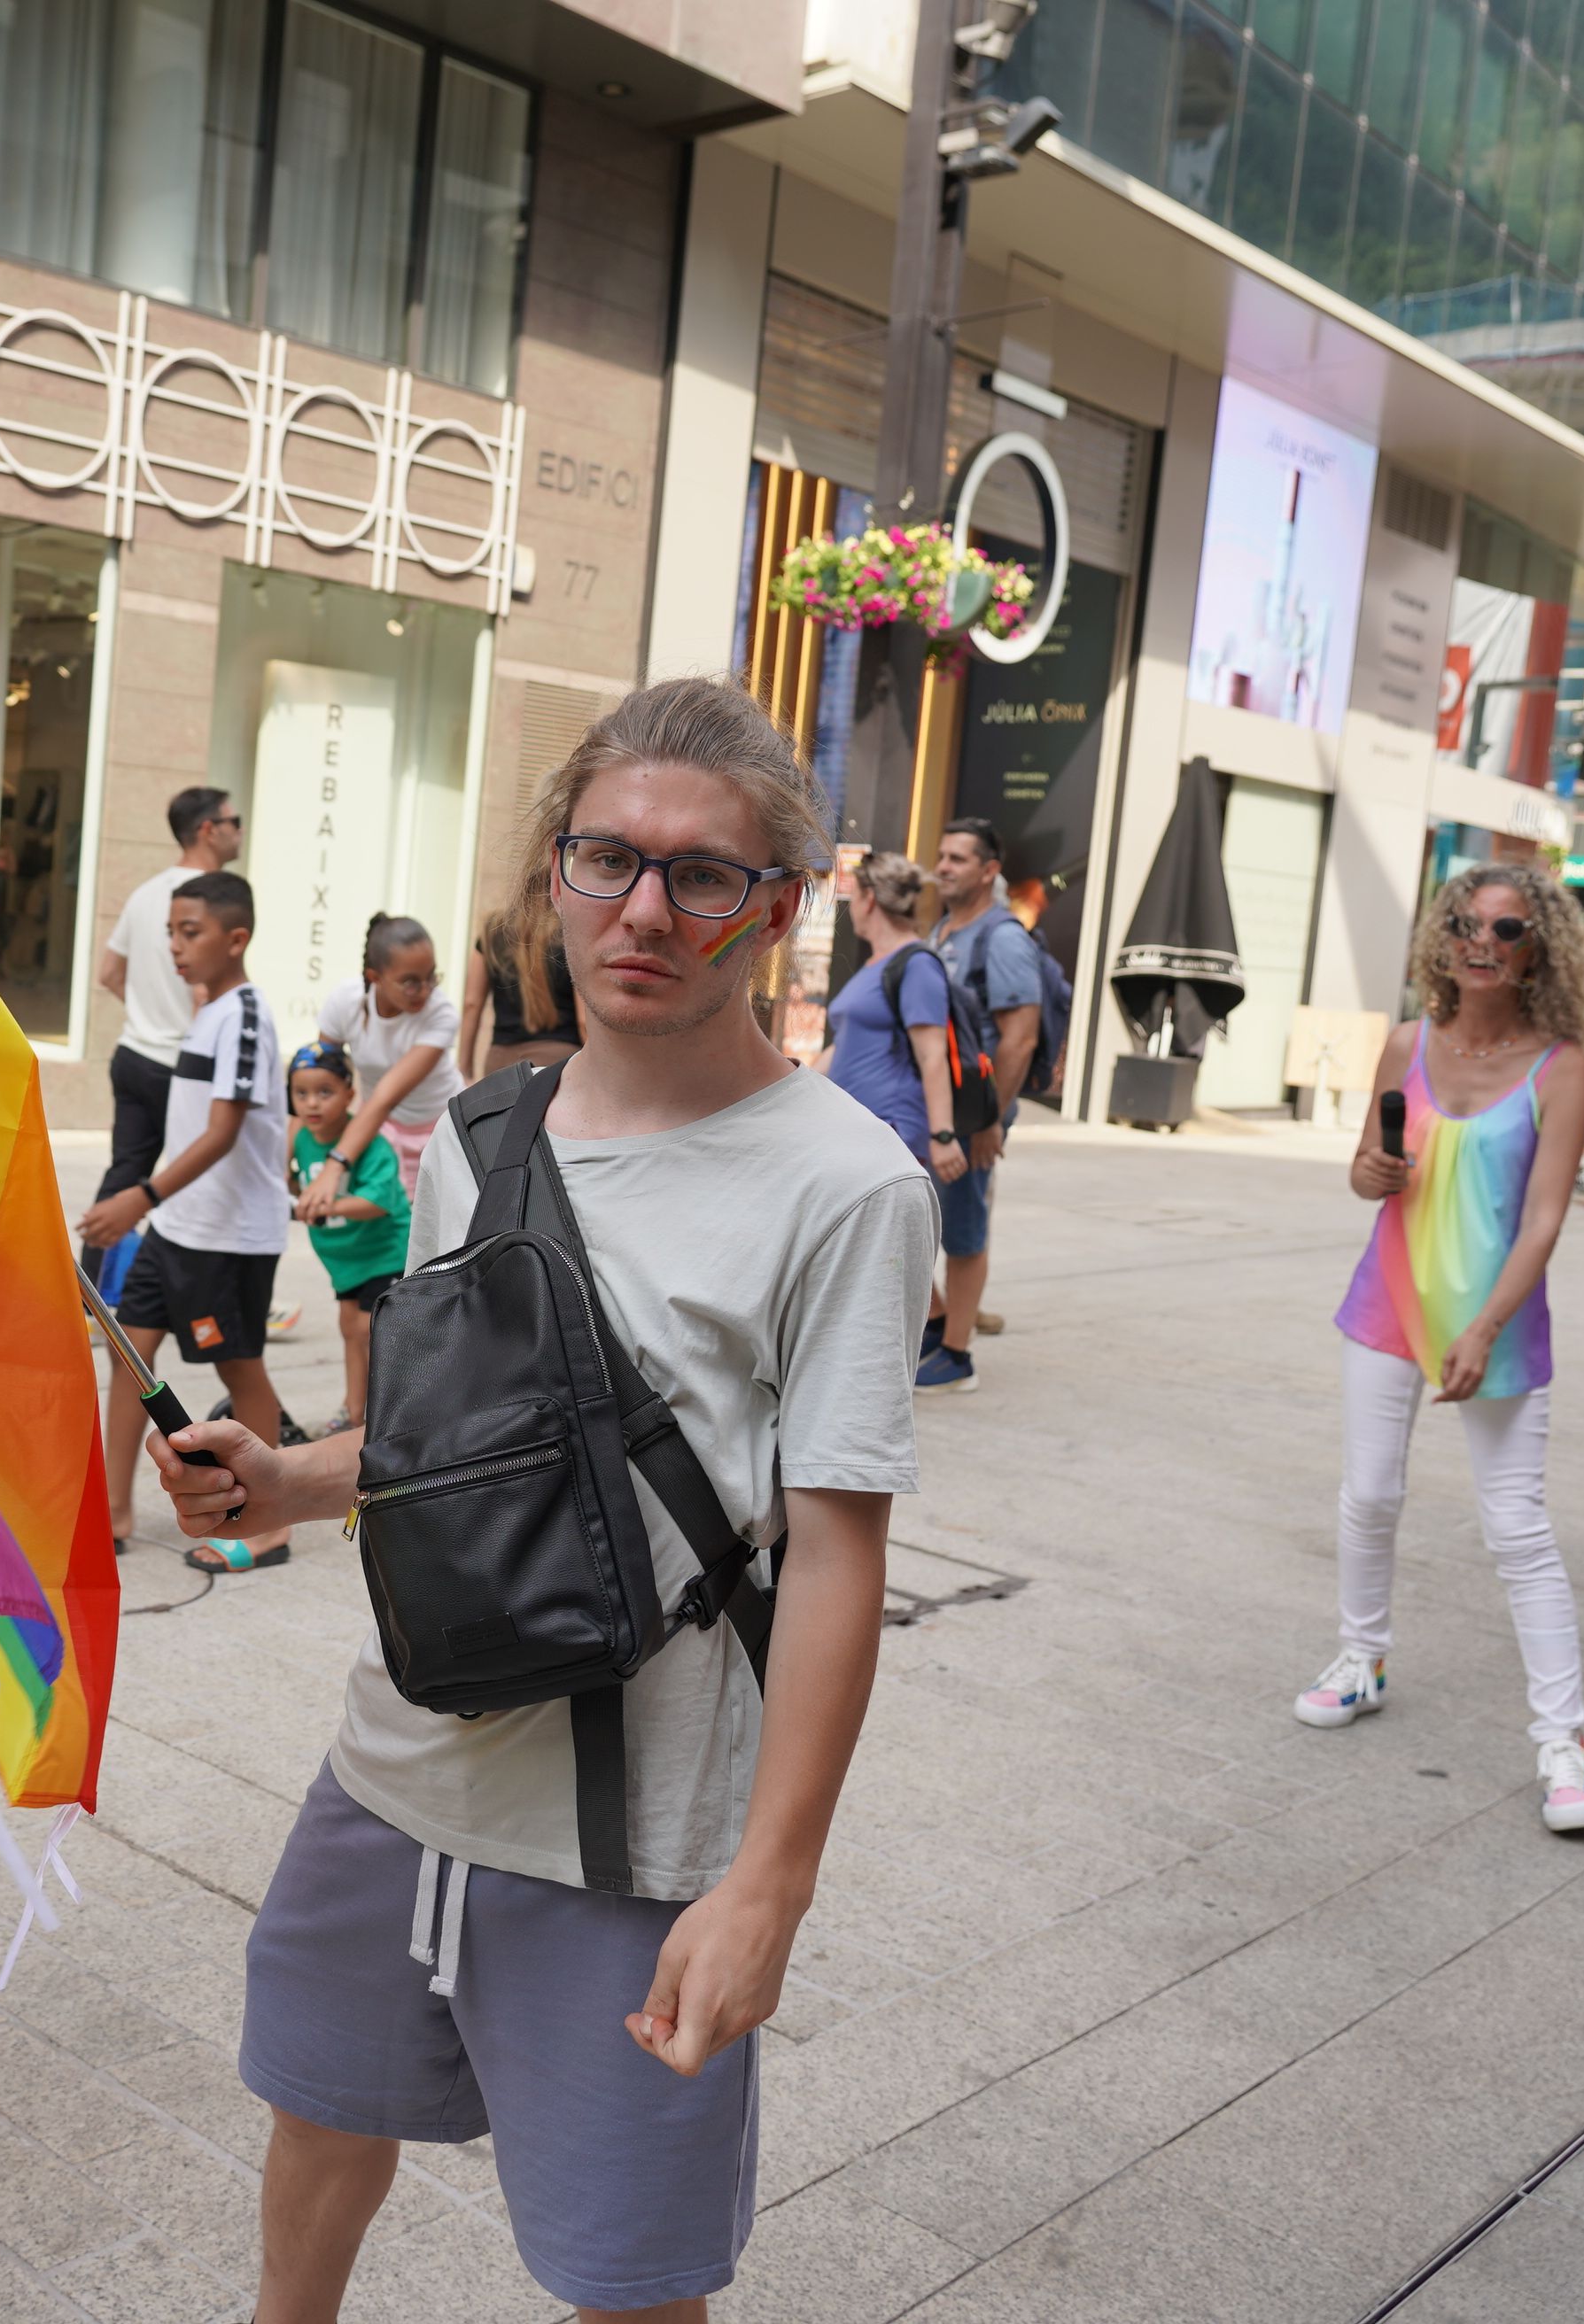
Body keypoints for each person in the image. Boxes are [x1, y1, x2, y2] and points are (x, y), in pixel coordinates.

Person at [144, 677, 930, 2318]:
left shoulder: (848, 1184)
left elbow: (841, 1553)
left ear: (774, 908)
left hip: (634, 1836)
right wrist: (287, 1475)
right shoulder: (485, 1128)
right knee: (319, 2107)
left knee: (626, 2268)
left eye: (701, 874)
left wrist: (767, 1880)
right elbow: (445, 1432)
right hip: (399, 1756)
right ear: (552, 875)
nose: (644, 908)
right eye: (606, 857)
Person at [1298, 860, 1584, 1837]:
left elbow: (1545, 1220)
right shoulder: (1405, 1043)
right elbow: (1363, 1176)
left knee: (1517, 1529)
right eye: (1468, 925)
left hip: (1497, 1321)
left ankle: (1565, 1741)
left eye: (1508, 929)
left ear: (1538, 949)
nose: (1483, 942)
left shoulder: (1562, 1068)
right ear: (1445, 939)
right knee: (1370, 1493)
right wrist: (1373, 1166)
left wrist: (1482, 1328)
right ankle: (1363, 1656)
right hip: (1387, 1302)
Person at [75, 869, 293, 1575]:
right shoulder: (210, 1006)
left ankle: (269, 1522)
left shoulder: (246, 1015)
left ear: (237, 939)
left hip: (225, 1236)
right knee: (127, 1350)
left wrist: (139, 1196)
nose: (173, 945)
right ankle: (111, 1512)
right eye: (170, 931)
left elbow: (223, 1133)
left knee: (239, 1365)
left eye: (189, 932)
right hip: (179, 1228)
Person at [90, 788, 247, 1268]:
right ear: (208, 829)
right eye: (233, 820)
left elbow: (109, 973)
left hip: (133, 1053)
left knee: (126, 1174)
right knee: (193, 1178)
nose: (240, 830)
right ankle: (204, 1287)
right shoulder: (213, 900)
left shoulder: (146, 891)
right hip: (181, 1065)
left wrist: (148, 1009)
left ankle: (85, 1297)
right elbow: (211, 993)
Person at [816, 855, 971, 1337]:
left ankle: (931, 1342)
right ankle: (932, 1335)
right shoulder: (875, 965)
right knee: (884, 1247)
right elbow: (842, 1046)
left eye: (853, 897)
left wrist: (944, 1134)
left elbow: (932, 1056)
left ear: (868, 899)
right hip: (858, 1125)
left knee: (885, 1245)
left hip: (893, 1125)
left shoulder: (916, 963)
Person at [924, 817, 1044, 1379]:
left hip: (971, 1119)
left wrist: (987, 1119)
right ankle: (943, 1322)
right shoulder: (945, 930)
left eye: (958, 859)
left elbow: (1020, 1038)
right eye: (942, 856)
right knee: (911, 1222)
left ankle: (955, 1355)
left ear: (989, 871)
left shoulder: (1002, 937)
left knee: (964, 1233)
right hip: (934, 1112)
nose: (943, 866)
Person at [285, 1040, 408, 1431]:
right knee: (349, 1331)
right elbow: (294, 1180)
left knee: (366, 1331)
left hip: (386, 1252)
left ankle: (384, 1418)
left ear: (350, 1094)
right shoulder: (302, 1138)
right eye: (301, 1093)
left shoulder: (369, 1142)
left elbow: (378, 1201)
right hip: (346, 1262)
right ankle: (355, 1413)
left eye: (325, 1092)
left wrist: (325, 1205)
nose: (313, 1104)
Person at [301, 914, 464, 1209]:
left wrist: (336, 1163)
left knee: (424, 1222)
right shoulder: (346, 1002)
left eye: (431, 977)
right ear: (375, 977)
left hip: (439, 1129)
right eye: (410, 982)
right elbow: (317, 1075)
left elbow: (386, 1096)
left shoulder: (441, 1014)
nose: (425, 991)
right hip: (378, 1126)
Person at [459, 895, 581, 1081]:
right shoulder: (570, 931)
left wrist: (464, 1069)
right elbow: (584, 1021)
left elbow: (471, 1005)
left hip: (500, 1065)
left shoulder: (493, 930)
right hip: (558, 1064)